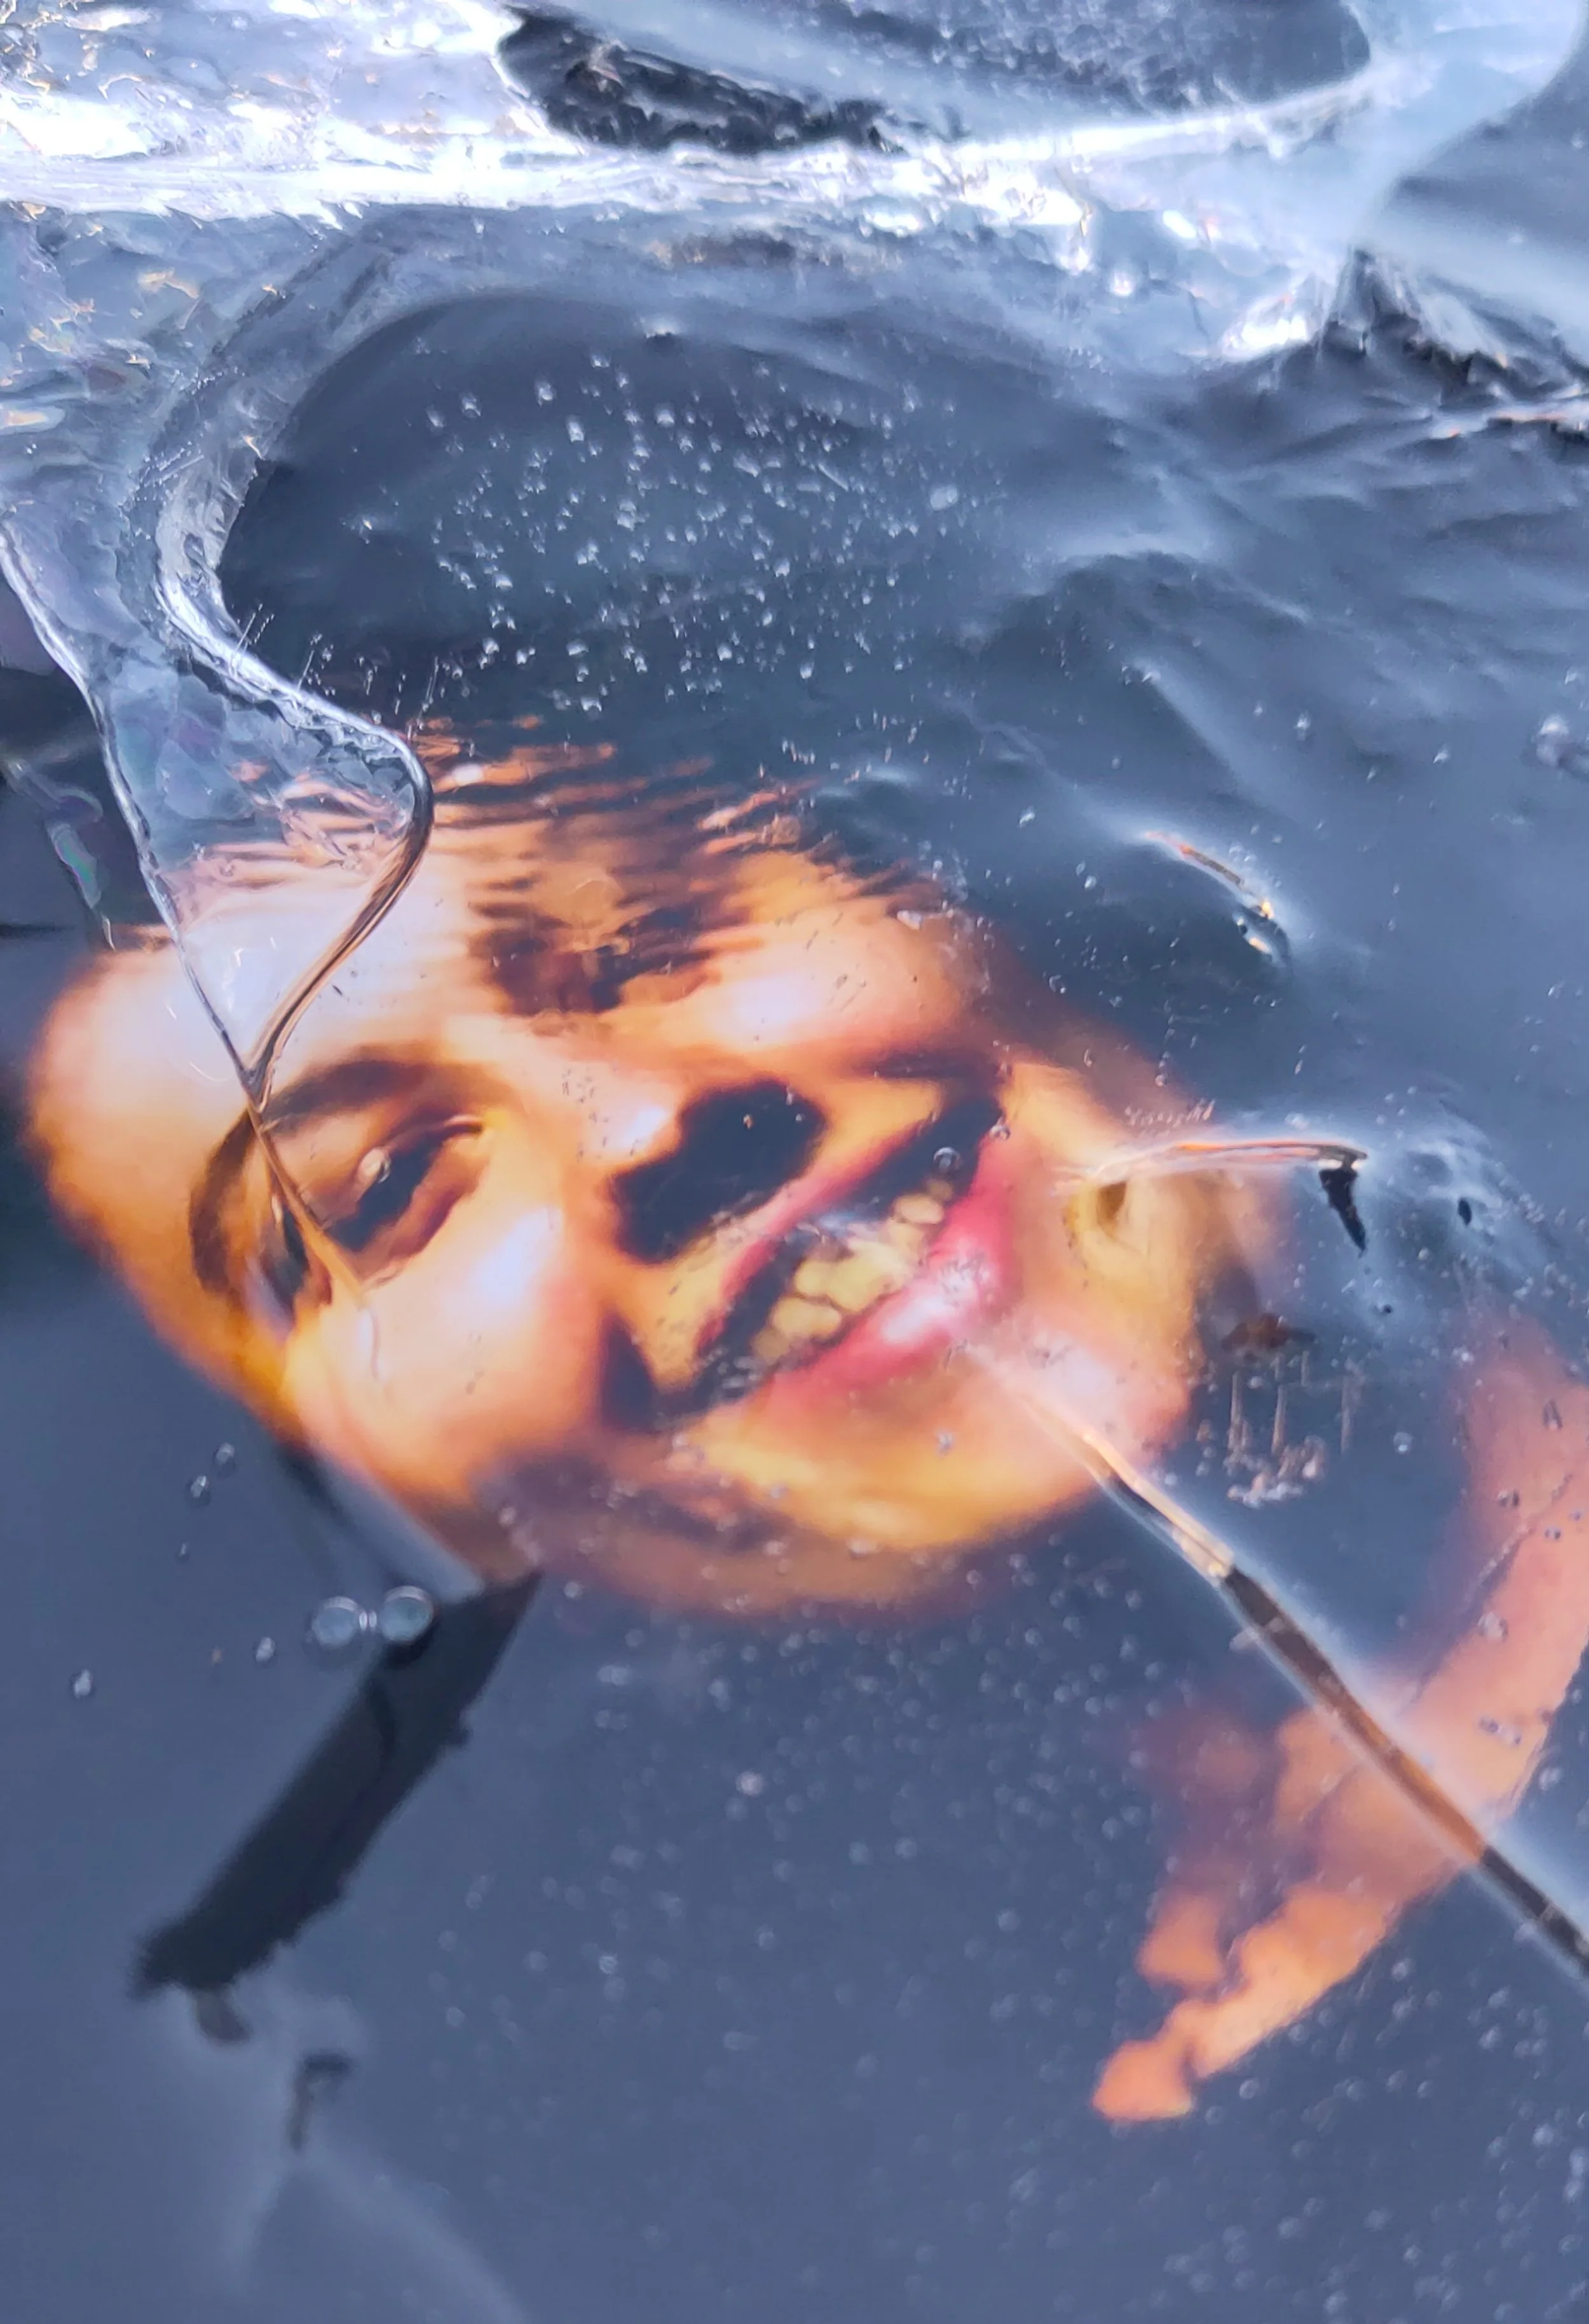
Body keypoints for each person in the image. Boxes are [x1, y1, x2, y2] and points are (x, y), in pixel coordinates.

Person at [27, 733, 1589, 2118]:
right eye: (386, 1190)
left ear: (934, 882)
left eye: (642, 932)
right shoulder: (734, 2123)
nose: (648, 1123)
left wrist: (1519, 1597)